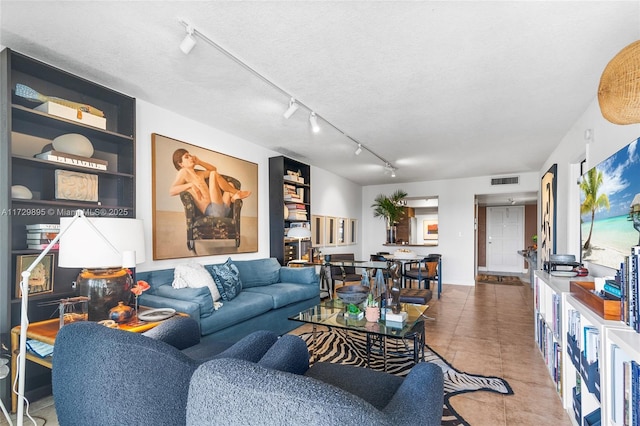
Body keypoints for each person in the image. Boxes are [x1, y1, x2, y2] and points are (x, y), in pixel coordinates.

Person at [170, 148, 250, 217]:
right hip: (212, 212)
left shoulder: (199, 174)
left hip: (223, 210)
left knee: (229, 184)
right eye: (186, 157)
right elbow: (172, 191)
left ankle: (234, 197)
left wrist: (199, 162)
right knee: (214, 175)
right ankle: (236, 193)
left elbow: (214, 169)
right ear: (181, 164)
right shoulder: (184, 172)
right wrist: (191, 185)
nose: (191, 158)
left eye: (190, 155)